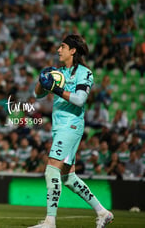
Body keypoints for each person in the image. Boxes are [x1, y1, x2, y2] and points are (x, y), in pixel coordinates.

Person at [29, 35, 113, 228]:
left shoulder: (84, 73)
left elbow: (80, 100)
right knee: (68, 177)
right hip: (60, 127)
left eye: (63, 47)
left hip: (71, 125)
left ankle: (50, 221)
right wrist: (42, 80)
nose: (59, 50)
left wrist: (56, 90)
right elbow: (38, 94)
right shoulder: (58, 72)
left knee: (51, 169)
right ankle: (103, 212)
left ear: (73, 50)